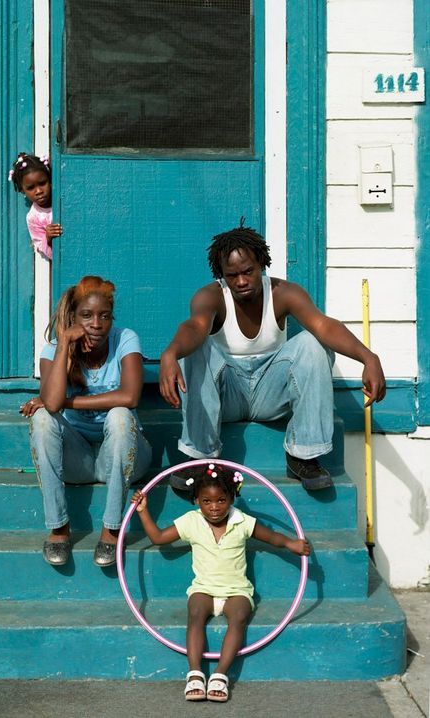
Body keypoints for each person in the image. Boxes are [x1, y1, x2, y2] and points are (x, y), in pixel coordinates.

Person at [159, 225, 386, 491]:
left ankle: (303, 455)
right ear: (222, 275)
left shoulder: (283, 293)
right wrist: (170, 353)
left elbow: (324, 326)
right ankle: (200, 459)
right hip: (225, 395)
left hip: (271, 393)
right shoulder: (210, 296)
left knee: (314, 343)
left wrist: (368, 357)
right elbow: (195, 327)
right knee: (193, 350)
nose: (241, 281)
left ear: (262, 264)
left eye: (248, 271)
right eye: (232, 275)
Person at [132, 463, 310, 702]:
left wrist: (292, 544)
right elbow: (158, 538)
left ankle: (219, 675)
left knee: (238, 617)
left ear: (231, 498)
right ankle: (195, 673)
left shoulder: (242, 521)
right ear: (196, 500)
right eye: (207, 501)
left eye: (221, 501)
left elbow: (271, 537)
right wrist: (143, 511)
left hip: (237, 590)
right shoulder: (191, 521)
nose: (214, 508)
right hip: (204, 588)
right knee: (195, 612)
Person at [22, 276, 152, 567]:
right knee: (43, 417)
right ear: (73, 317)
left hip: (122, 455)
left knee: (120, 415)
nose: (96, 323)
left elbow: (130, 396)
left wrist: (68, 402)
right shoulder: (52, 350)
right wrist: (65, 343)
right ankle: (59, 527)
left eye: (104, 316)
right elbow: (51, 405)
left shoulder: (125, 339)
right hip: (76, 460)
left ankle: (111, 528)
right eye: (87, 315)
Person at [8, 152, 62, 260]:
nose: (38, 191)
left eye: (42, 183)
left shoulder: (63, 200)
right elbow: (46, 252)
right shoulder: (33, 217)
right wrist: (48, 238)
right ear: (22, 190)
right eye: (31, 187)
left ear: (51, 180)